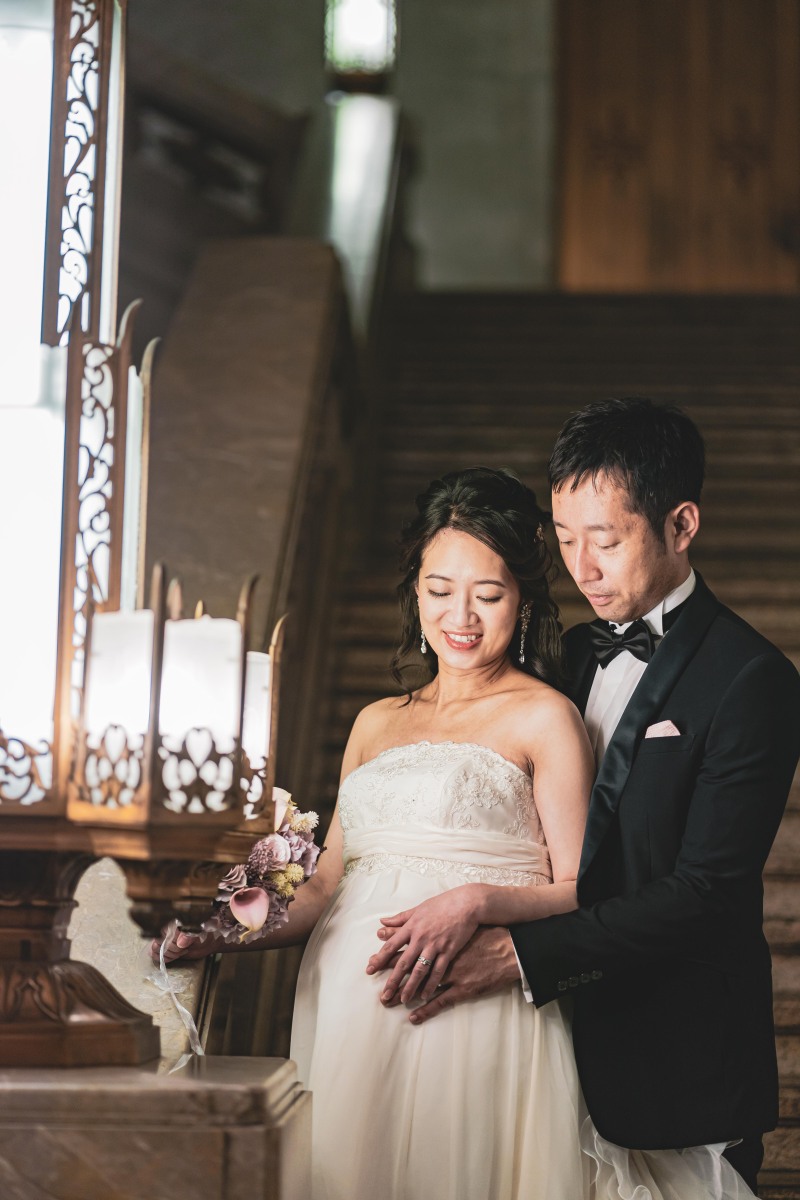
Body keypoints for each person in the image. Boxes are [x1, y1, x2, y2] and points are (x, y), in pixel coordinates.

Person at [371, 399, 800, 1197]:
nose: (583, 568)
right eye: (566, 542)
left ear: (681, 524)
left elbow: (705, 893)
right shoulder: (563, 655)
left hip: (671, 1051)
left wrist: (524, 955)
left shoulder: (753, 681)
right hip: (541, 1057)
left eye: (606, 540)